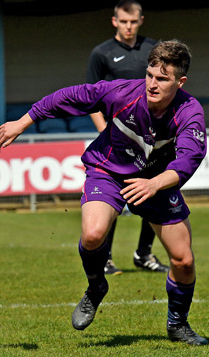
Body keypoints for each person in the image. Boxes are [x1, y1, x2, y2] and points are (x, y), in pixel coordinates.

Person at [0, 40, 207, 345]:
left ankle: (178, 325)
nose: (152, 83)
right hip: (108, 171)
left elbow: (189, 159)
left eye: (162, 79)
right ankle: (96, 288)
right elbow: (68, 97)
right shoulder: (122, 92)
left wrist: (154, 183)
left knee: (183, 260)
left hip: (156, 182)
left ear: (180, 81)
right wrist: (23, 122)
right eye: (150, 74)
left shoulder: (190, 111)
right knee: (94, 234)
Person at [87, 0, 168, 275]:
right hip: (118, 141)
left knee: (156, 190)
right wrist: (107, 133)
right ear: (115, 22)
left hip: (153, 141)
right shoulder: (102, 54)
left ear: (141, 20)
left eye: (133, 22)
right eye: (124, 22)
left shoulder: (154, 50)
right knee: (114, 197)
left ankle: (143, 253)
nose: (129, 26)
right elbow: (93, 98)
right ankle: (106, 257)